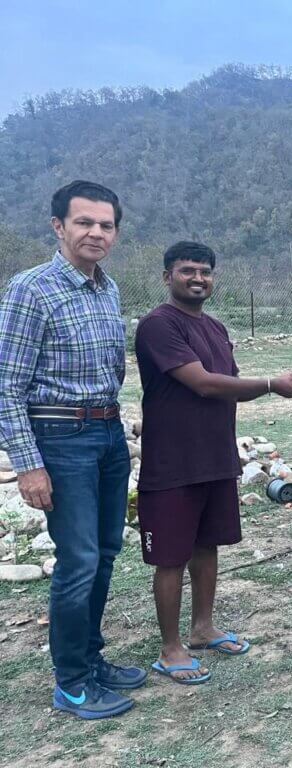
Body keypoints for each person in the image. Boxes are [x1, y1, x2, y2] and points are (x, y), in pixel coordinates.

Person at [134, 241, 292, 684]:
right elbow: (204, 384)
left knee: (206, 544)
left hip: (215, 456)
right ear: (166, 277)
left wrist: (276, 383)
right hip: (172, 461)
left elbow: (229, 382)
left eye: (205, 271)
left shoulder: (215, 327)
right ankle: (170, 647)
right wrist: (272, 382)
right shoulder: (158, 325)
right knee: (170, 557)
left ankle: (202, 628)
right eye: (187, 270)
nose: (198, 278)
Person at [0, 181, 143, 718]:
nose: (96, 233)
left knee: (105, 552)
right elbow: (6, 386)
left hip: (106, 435)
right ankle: (72, 682)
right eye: (84, 222)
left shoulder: (107, 288)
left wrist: (120, 432)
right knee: (78, 559)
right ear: (58, 226)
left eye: (106, 225)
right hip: (59, 440)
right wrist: (29, 464)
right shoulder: (30, 289)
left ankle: (91, 657)